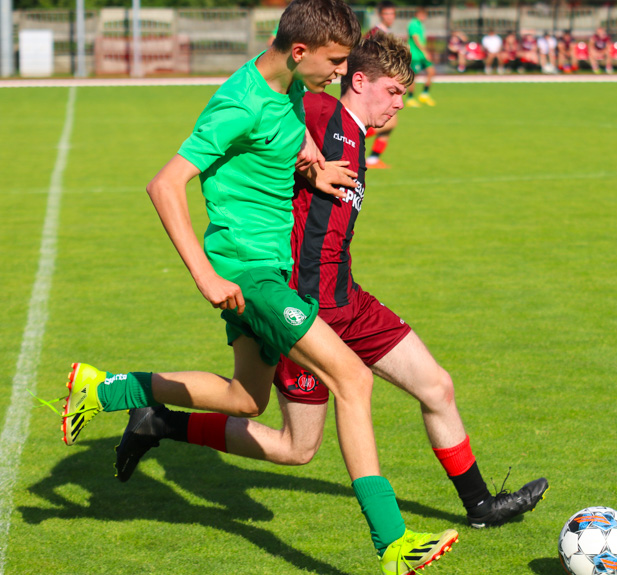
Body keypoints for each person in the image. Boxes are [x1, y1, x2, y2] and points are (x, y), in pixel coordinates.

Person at [56, 2, 459, 573]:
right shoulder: (237, 103)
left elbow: (283, 141)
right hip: (247, 271)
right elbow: (165, 184)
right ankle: (392, 542)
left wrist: (313, 167)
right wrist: (206, 274)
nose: (343, 75)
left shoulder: (288, 84)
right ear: (300, 51)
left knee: (247, 399)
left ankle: (106, 388)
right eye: (337, 62)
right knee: (352, 378)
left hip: (263, 269)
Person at [115, 30, 549, 533]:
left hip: (350, 301)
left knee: (437, 386)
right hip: (305, 307)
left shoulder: (355, 134)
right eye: (393, 92)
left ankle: (480, 506)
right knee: (295, 448)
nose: (400, 105)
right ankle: (159, 421)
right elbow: (278, 88)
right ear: (359, 81)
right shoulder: (320, 111)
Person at [365, 0, 399, 168]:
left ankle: (373, 158)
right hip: (376, 82)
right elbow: (363, 55)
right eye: (386, 14)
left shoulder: (387, 32)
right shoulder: (376, 33)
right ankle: (354, 136)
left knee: (391, 121)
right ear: (380, 15)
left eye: (392, 14)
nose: (390, 17)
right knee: (389, 121)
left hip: (385, 81)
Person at [406, 7, 436, 107]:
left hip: (422, 55)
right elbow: (416, 40)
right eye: (423, 15)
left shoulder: (420, 24)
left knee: (431, 71)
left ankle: (425, 94)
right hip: (415, 55)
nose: (424, 17)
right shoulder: (413, 24)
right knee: (414, 76)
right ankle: (410, 98)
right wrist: (425, 51)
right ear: (418, 14)